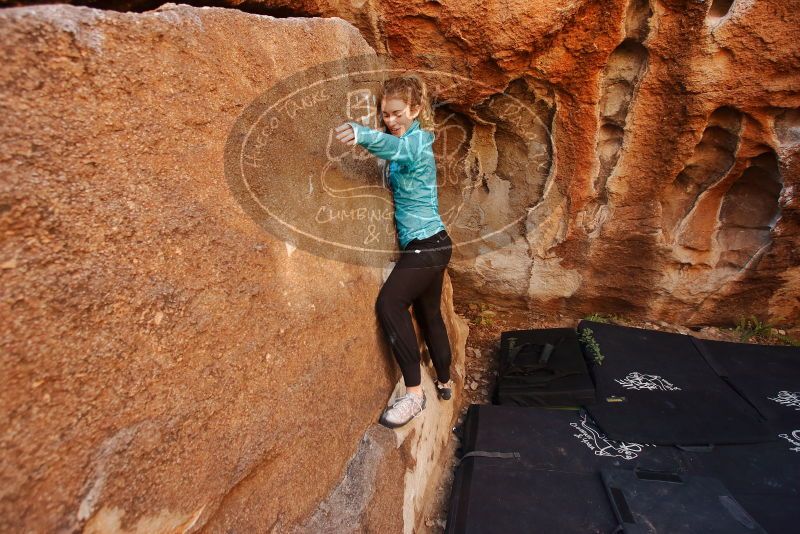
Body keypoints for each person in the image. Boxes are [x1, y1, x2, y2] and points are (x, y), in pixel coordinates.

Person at [334, 74, 454, 429]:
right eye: (385, 115)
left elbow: (397, 150)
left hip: (428, 245)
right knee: (429, 312)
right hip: (433, 243)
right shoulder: (399, 139)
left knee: (390, 303)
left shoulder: (417, 143)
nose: (392, 120)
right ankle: (445, 381)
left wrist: (361, 133)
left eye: (398, 113)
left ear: (415, 110)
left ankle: (414, 395)